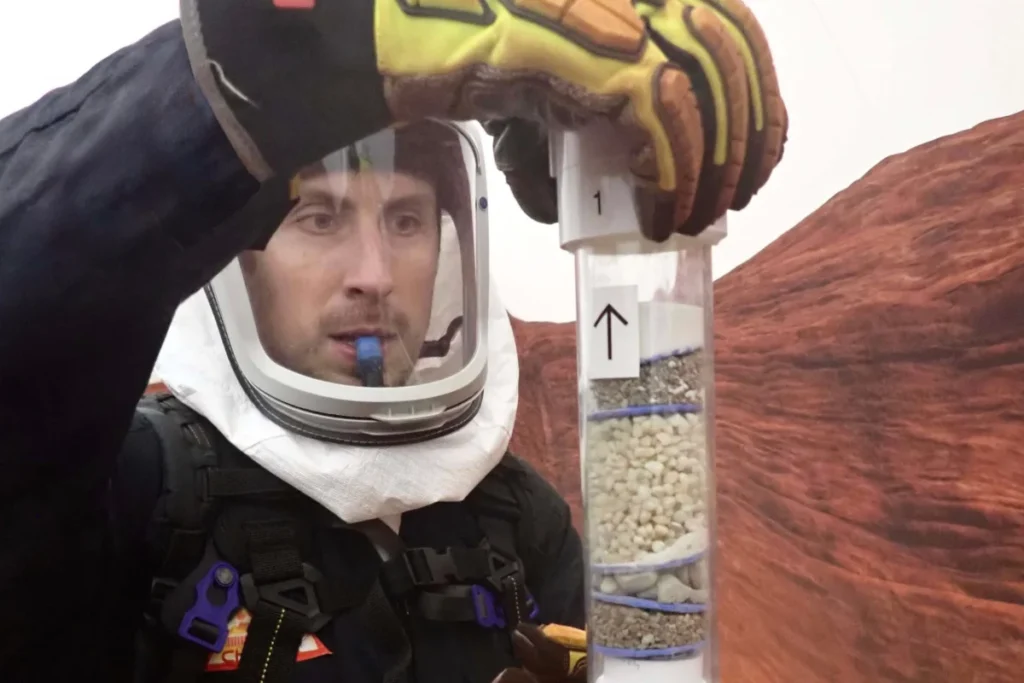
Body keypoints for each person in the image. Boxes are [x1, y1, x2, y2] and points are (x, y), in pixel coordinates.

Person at [0, 1, 787, 683]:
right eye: (319, 218)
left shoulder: (515, 521)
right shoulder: (136, 492)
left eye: (406, 220)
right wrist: (259, 65)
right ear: (239, 257)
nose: (374, 276)